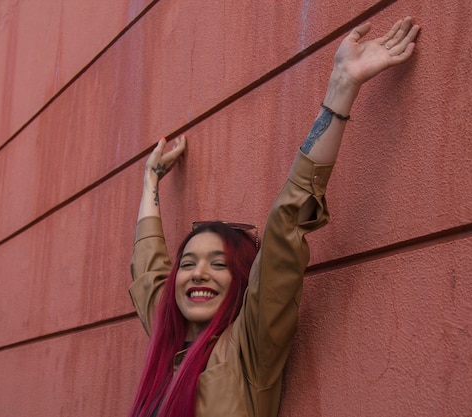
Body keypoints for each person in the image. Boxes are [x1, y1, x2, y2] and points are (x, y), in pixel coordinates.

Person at [128, 17, 420, 417]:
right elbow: (148, 275)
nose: (197, 274)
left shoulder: (250, 345)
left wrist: (342, 88)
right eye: (189, 264)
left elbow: (286, 225)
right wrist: (150, 182)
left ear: (243, 282)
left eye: (218, 264)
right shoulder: (166, 338)